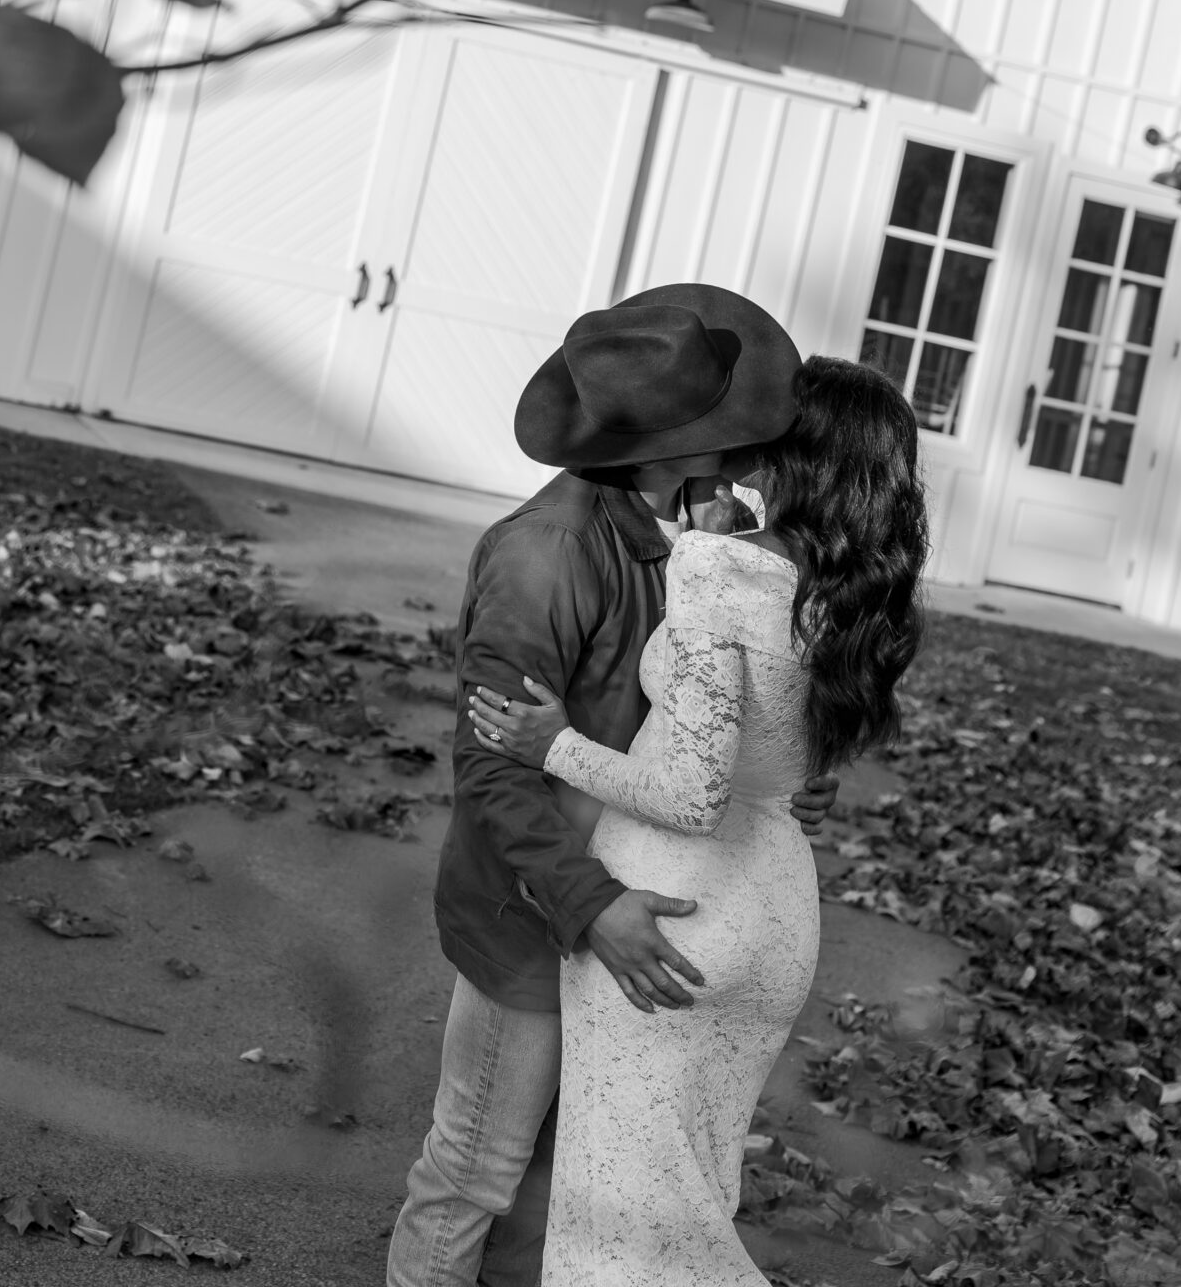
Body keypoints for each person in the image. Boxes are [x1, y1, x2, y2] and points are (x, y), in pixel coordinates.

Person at [385, 284, 843, 1287]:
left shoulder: (689, 534)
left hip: (627, 901)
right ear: (670, 448)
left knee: (569, 1192)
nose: (752, 448)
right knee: (476, 1169)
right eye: (729, 433)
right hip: (540, 913)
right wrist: (593, 908)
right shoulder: (547, 556)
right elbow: (495, 766)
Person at [468, 347, 929, 1287]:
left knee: (621, 1234)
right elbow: (776, 753)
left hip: (675, 910)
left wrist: (548, 742)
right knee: (691, 1206)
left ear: (795, 452)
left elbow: (689, 790)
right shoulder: (853, 590)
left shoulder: (719, 569)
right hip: (774, 917)